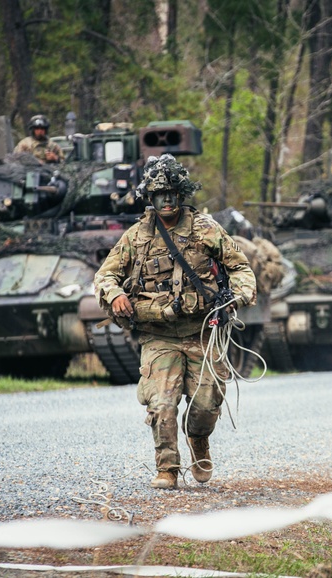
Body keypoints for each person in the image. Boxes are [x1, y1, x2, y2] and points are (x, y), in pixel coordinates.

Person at [94, 155, 256, 489]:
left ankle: (198, 438)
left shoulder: (205, 230)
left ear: (181, 194)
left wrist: (236, 297)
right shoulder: (136, 237)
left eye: (172, 193)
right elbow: (104, 276)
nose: (166, 200)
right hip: (158, 335)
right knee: (162, 403)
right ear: (149, 198)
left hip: (202, 332)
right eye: (159, 194)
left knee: (206, 403)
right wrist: (114, 296)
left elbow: (241, 268)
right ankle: (167, 468)